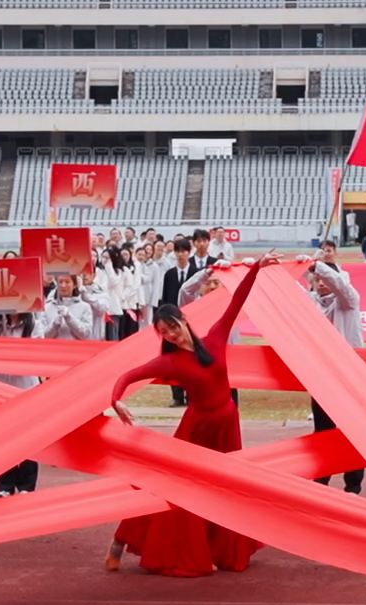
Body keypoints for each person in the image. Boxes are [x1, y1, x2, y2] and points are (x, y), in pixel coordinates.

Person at [106, 255, 278, 576]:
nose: (171, 334)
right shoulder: (169, 362)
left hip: (227, 424)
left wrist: (256, 267)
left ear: (183, 319)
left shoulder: (216, 338)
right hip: (198, 430)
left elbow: (238, 300)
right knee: (180, 488)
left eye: (172, 326)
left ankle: (220, 548)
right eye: (164, 332)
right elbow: (127, 376)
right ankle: (122, 539)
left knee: (226, 487)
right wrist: (116, 401)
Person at [307, 257, 366, 494]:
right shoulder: (311, 303)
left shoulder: (348, 300)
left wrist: (319, 266)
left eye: (324, 278)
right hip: (322, 378)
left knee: (353, 433)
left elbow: (341, 285)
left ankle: (353, 486)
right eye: (317, 280)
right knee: (323, 432)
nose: (321, 283)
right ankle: (321, 483)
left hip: (350, 379)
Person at [0, 310, 47, 495]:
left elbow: (37, 354)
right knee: (2, 438)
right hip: (0, 388)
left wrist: (13, 351)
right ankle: (5, 485)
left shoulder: (34, 326)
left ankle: (26, 485)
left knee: (28, 437)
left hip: (26, 388)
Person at [158, 237, 201, 406]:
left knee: (191, 357)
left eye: (183, 251)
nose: (180, 255)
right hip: (171, 323)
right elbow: (165, 298)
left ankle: (192, 394)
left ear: (189, 253)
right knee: (173, 357)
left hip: (190, 321)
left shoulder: (196, 272)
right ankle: (177, 395)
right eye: (178, 251)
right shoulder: (169, 274)